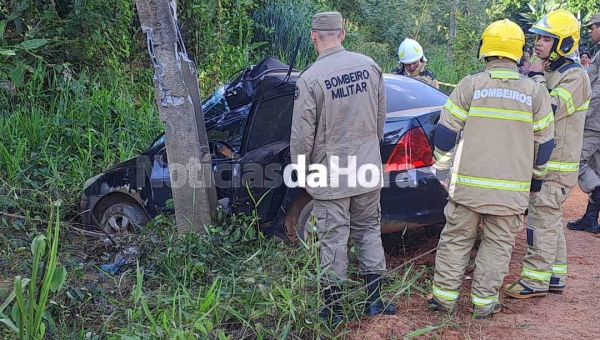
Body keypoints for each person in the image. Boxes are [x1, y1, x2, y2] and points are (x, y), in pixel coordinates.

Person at [426, 19, 555, 319]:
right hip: (510, 195)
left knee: (456, 241)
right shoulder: (535, 93)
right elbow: (545, 146)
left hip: (467, 189)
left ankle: (443, 301)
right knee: (497, 247)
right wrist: (536, 180)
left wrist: (442, 171)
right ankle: (484, 306)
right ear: (518, 52)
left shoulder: (471, 85)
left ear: (486, 48)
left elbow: (444, 134)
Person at [290, 11, 396, 325]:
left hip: (330, 174)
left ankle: (334, 311)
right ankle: (375, 301)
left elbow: (301, 135)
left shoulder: (309, 78)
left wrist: (302, 171)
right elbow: (380, 120)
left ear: (313, 36)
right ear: (343, 33)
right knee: (368, 232)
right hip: (366, 168)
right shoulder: (370, 66)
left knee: (333, 240)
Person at [503, 9, 591, 299]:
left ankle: (534, 282)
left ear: (564, 43)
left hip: (556, 166)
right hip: (548, 161)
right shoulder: (554, 72)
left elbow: (549, 111)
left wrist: (537, 78)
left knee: (540, 222)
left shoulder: (575, 76)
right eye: (538, 37)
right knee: (550, 220)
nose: (538, 43)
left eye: (546, 38)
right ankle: (554, 277)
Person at [567, 13, 600, 233]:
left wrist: (584, 115)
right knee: (597, 168)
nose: (590, 32)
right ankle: (590, 218)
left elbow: (597, 91)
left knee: (575, 160)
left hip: (594, 122)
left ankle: (596, 191)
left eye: (593, 28)